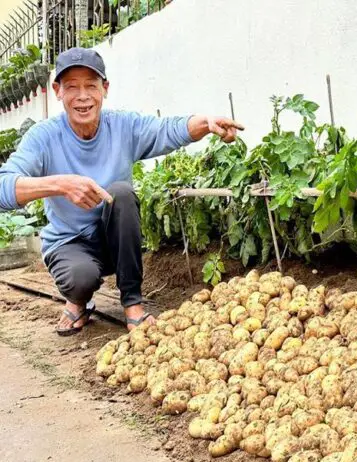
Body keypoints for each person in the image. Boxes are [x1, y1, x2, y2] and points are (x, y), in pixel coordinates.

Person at [0, 47, 243, 336]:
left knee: (122, 193)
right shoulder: (43, 137)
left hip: (114, 241)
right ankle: (78, 300)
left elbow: (165, 129)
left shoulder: (122, 126)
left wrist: (206, 124)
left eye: (91, 86)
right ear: (57, 91)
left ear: (105, 89)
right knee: (80, 278)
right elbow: (4, 186)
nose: (82, 96)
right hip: (69, 243)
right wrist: (61, 184)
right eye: (72, 87)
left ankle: (133, 305)